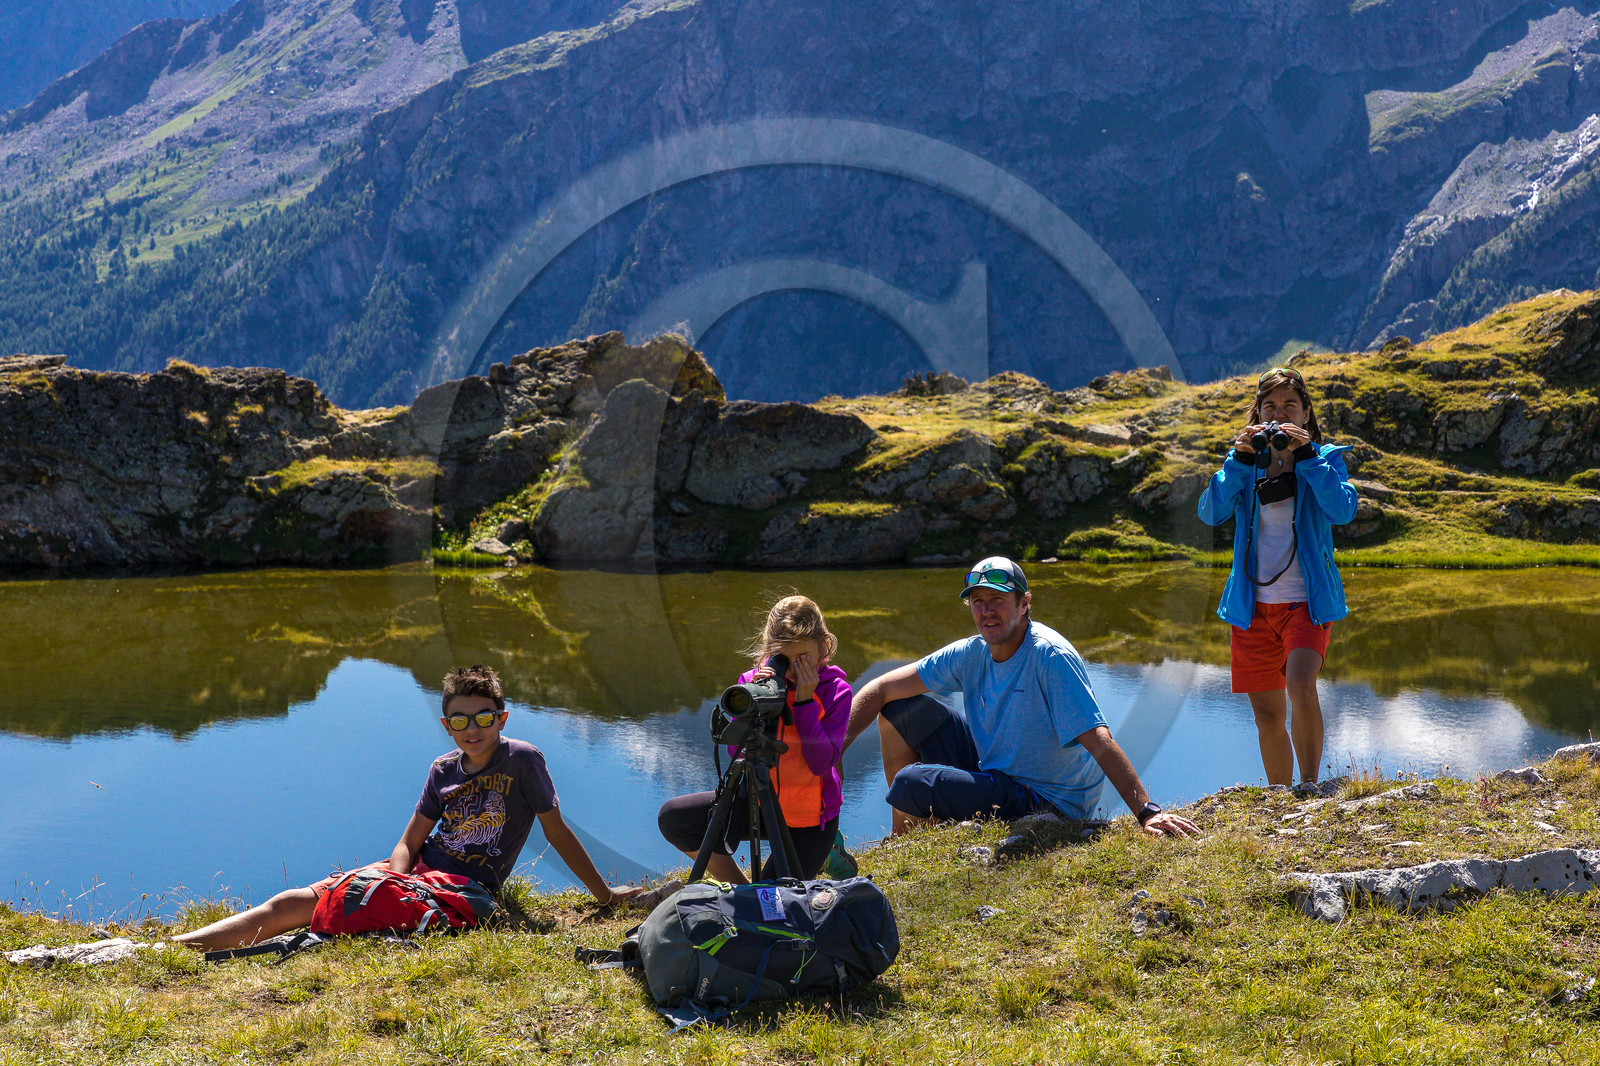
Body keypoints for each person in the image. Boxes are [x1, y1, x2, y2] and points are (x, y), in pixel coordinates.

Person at [172, 665, 641, 951]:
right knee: (295, 901)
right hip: (416, 875)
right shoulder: (443, 769)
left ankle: (177, 947)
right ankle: (170, 947)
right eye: (459, 720)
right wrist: (396, 875)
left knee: (337, 909)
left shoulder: (523, 760)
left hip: (463, 891)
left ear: (501, 719)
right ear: (446, 724)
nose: (471, 729)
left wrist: (604, 895)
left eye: (483, 718)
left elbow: (556, 832)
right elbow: (409, 842)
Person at [843, 557, 1198, 838]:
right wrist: (836, 748)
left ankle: (914, 839)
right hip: (999, 768)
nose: (986, 611)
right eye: (978, 601)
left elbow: (1100, 740)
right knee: (899, 710)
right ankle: (904, 835)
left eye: (997, 599)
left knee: (911, 782)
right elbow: (882, 688)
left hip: (1045, 799)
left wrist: (1148, 812)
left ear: (1024, 603)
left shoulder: (1049, 657)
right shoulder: (972, 652)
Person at [1196, 366, 1358, 786]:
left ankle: (1309, 787)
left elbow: (1342, 510)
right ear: (1256, 415)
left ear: (1306, 413)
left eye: (1290, 405)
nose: (1280, 413)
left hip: (1306, 602)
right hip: (1252, 608)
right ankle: (1279, 799)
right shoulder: (1244, 465)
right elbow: (1209, 513)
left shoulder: (1324, 460)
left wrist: (1306, 459)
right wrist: (1238, 461)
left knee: (1301, 684)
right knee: (1267, 716)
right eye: (1270, 406)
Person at [657, 594, 852, 882]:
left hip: (810, 821)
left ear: (823, 646)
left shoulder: (835, 692)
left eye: (803, 658)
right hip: (759, 804)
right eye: (785, 659)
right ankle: (741, 888)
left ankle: (828, 851)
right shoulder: (754, 684)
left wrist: (804, 703)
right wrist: (756, 700)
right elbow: (735, 751)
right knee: (674, 819)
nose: (796, 669)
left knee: (775, 906)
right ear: (769, 650)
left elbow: (820, 763)